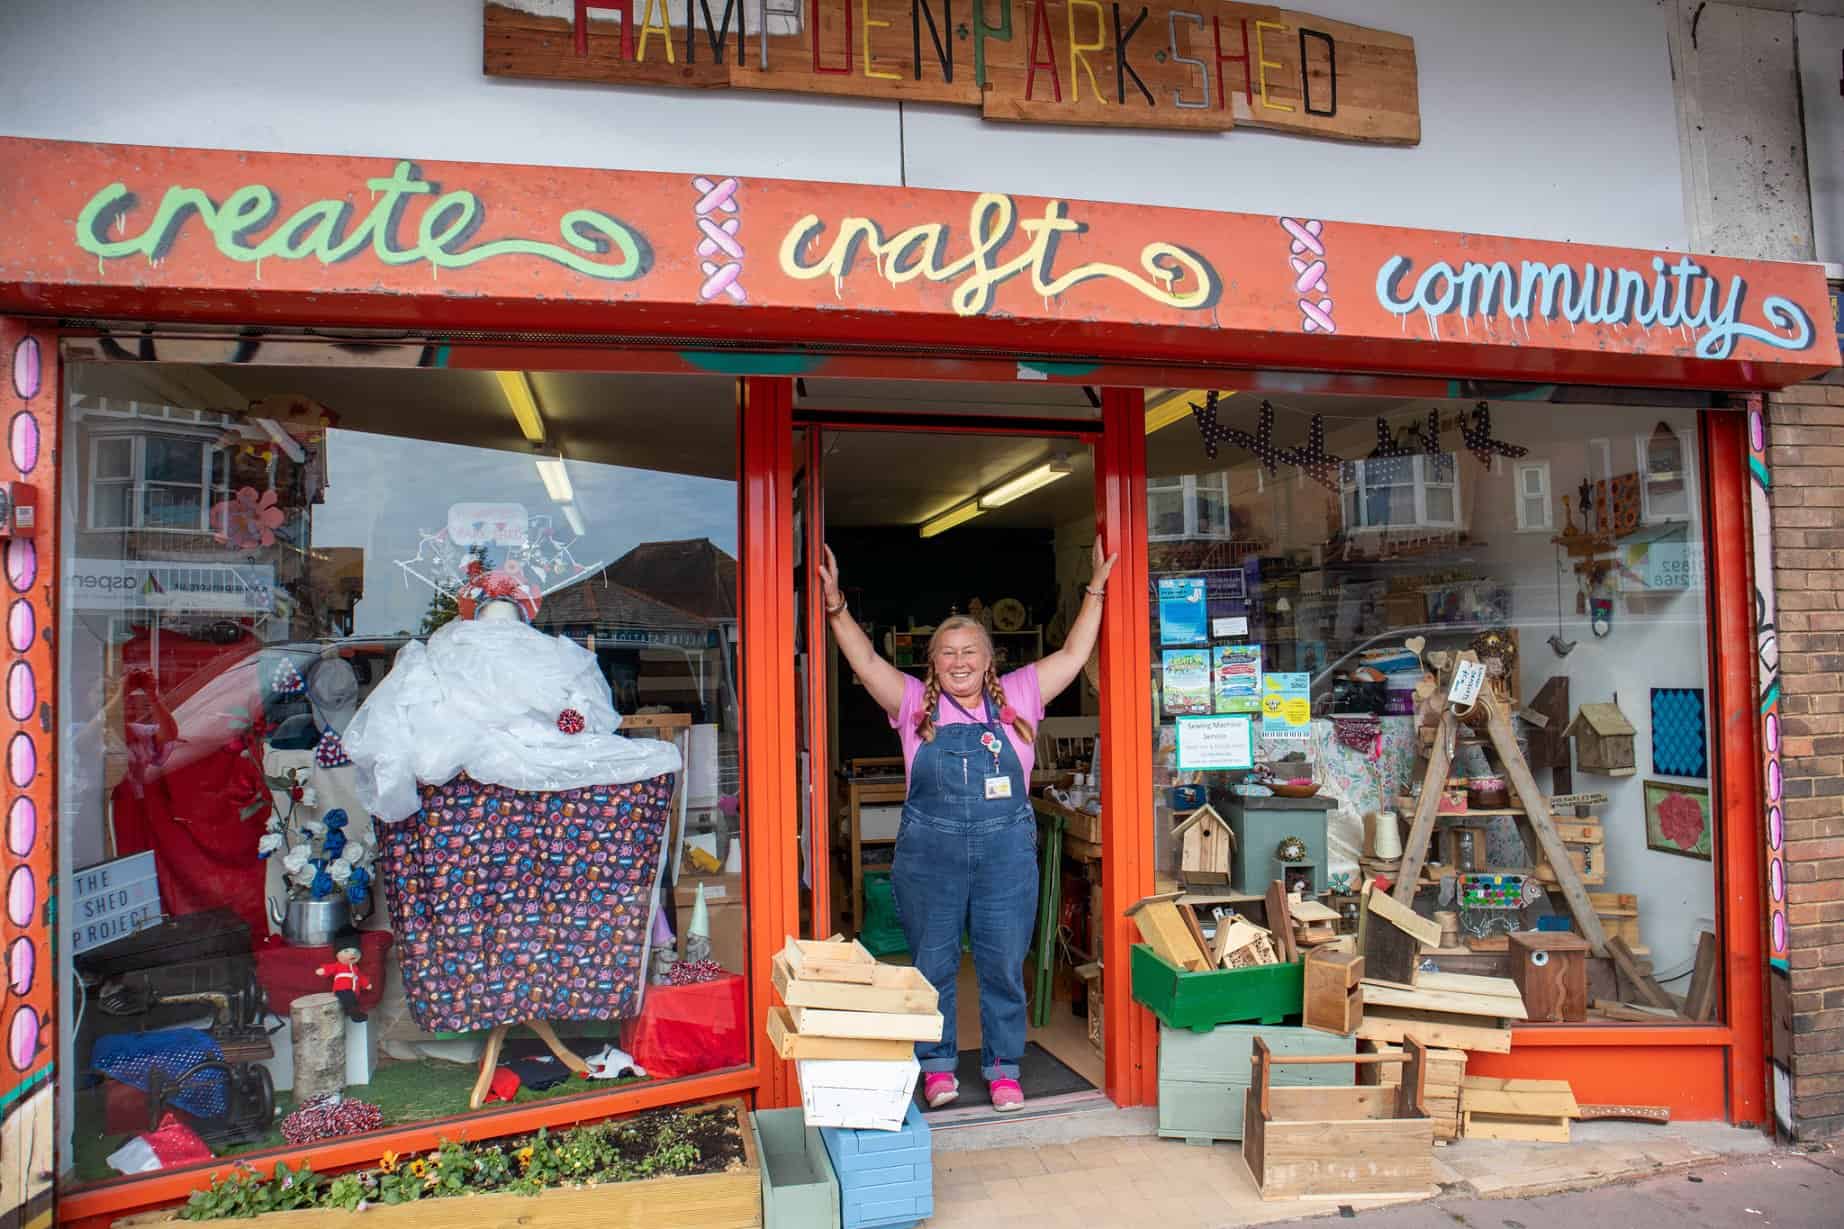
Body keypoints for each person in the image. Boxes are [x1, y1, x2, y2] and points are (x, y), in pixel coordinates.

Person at [818, 540, 1117, 1112]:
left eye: (970, 651)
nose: (959, 662)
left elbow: (1077, 652)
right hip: (931, 852)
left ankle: (1004, 1066)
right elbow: (865, 662)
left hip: (1005, 849)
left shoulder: (1024, 694)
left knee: (1003, 960)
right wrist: (836, 607)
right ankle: (936, 1066)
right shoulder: (912, 705)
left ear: (989, 659)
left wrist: (1095, 589)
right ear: (932, 663)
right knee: (932, 964)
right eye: (948, 653)